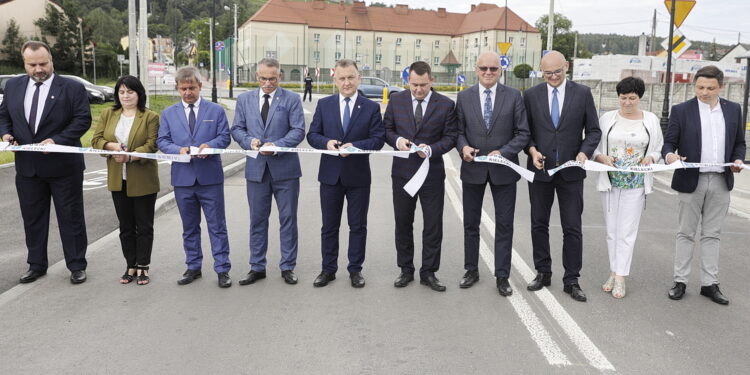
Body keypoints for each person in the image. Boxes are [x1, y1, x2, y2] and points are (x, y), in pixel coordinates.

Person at [0, 41, 91, 285]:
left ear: (51, 60)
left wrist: (57, 140)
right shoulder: (14, 86)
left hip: (64, 168)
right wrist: (6, 134)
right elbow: (4, 116)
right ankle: (36, 264)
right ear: (24, 64)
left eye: (43, 63)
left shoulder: (71, 87)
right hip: (28, 169)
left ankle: (76, 265)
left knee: (70, 218)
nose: (38, 69)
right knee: (33, 220)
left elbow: (83, 119)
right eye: (33, 65)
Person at [662, 66, 746, 305]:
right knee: (685, 233)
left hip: (720, 180)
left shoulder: (733, 110)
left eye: (710, 88)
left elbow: (739, 143)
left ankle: (710, 284)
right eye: (700, 87)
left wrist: (738, 159)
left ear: (721, 86)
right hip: (691, 180)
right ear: (694, 85)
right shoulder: (681, 111)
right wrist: (671, 157)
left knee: (712, 234)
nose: (704, 92)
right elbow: (669, 145)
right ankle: (680, 281)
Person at [523, 50, 601, 302]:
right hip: (540, 170)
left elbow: (593, 131)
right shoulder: (531, 95)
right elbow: (525, 132)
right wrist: (532, 150)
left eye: (557, 72)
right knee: (539, 224)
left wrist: (584, 152)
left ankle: (572, 279)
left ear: (566, 67)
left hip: (571, 173)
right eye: (547, 73)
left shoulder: (583, 93)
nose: (553, 77)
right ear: (541, 71)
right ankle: (543, 272)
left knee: (572, 227)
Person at [455, 52, 530, 296]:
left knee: (504, 225)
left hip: (504, 170)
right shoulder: (464, 97)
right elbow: (458, 131)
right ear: (476, 69)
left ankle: (502, 276)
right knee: (471, 224)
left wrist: (505, 152)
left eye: (493, 69)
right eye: (484, 68)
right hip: (473, 168)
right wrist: (464, 147)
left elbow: (522, 133)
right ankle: (471, 270)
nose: (488, 73)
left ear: (501, 71)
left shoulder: (513, 97)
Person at [306, 59, 385, 288]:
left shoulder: (370, 107)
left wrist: (356, 147)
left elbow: (378, 140)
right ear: (335, 80)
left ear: (359, 78)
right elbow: (312, 135)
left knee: (357, 226)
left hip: (358, 175)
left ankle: (355, 270)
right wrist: (327, 142)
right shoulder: (324, 105)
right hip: (330, 176)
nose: (347, 82)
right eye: (342, 78)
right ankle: (328, 269)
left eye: (351, 77)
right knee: (329, 226)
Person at [231, 58, 305, 286]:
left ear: (279, 76)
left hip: (286, 170)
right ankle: (257, 266)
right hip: (256, 171)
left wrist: (277, 146)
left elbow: (298, 130)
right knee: (257, 220)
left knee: (288, 219)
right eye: (263, 78)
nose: (268, 83)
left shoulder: (291, 99)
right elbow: (237, 128)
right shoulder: (244, 99)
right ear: (257, 77)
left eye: (272, 79)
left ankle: (287, 266)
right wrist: (248, 141)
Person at [383, 61, 457, 292]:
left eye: (423, 85)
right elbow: (386, 129)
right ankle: (406, 270)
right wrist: (397, 141)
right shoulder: (396, 100)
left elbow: (451, 136)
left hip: (432, 175)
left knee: (433, 225)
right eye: (414, 85)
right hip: (403, 174)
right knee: (403, 222)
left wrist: (432, 149)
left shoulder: (445, 105)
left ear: (431, 80)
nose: (418, 90)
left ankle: (429, 272)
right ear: (408, 81)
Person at [157, 66, 233, 288]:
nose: (188, 92)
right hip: (183, 180)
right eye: (183, 89)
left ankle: (222, 269)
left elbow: (225, 137)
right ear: (177, 89)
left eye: (192, 88)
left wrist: (210, 146)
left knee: (217, 226)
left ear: (200, 86)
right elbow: (162, 140)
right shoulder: (169, 113)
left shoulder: (216, 111)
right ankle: (193, 266)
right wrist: (176, 150)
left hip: (210, 178)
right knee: (189, 227)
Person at [593, 77, 663, 299]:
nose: (627, 103)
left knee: (627, 232)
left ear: (640, 97)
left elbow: (658, 147)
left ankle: (621, 276)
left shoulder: (650, 120)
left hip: (635, 183)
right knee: (612, 231)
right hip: (611, 181)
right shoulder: (607, 119)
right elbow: (594, 144)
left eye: (632, 98)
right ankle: (614, 271)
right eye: (623, 98)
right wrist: (600, 156)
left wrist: (651, 157)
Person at [91, 75, 160, 285]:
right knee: (126, 226)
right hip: (117, 178)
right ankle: (130, 264)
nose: (125, 96)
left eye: (130, 91)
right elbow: (96, 140)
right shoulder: (108, 114)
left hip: (142, 178)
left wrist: (131, 156)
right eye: (121, 92)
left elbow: (151, 145)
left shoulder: (150, 116)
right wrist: (112, 147)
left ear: (139, 93)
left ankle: (143, 266)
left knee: (144, 226)